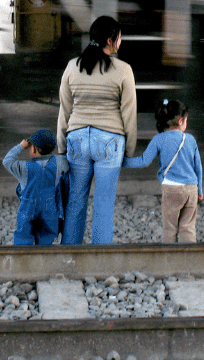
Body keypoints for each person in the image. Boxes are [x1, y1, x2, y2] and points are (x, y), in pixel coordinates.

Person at [57, 15, 137, 244]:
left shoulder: (72, 66)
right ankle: (100, 260)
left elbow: (65, 110)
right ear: (111, 41)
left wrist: (62, 148)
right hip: (109, 142)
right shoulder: (123, 70)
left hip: (77, 140)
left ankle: (70, 257)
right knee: (103, 203)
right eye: (119, 38)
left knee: (75, 201)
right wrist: (129, 152)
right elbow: (128, 114)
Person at [122, 99, 203, 243]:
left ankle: (169, 261)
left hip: (172, 188)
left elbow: (143, 161)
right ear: (181, 121)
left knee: (170, 228)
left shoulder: (158, 139)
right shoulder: (190, 140)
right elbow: (198, 168)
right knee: (188, 228)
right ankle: (189, 261)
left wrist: (121, 162)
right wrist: (200, 191)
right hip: (191, 189)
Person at [2, 129, 70, 245]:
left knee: (23, 233)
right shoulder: (59, 163)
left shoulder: (23, 167)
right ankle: (43, 257)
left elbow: (7, 161)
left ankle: (24, 256)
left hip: (28, 206)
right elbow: (67, 164)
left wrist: (21, 146)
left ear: (33, 149)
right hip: (49, 206)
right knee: (47, 234)